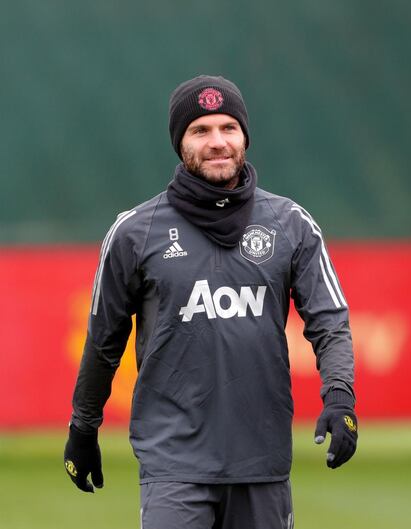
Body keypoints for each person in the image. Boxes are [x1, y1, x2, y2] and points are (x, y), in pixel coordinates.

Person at [64, 75, 358, 529]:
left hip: (261, 461)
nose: (217, 142)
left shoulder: (290, 224)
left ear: (244, 137)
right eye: (200, 131)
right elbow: (104, 341)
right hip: (172, 464)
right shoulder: (134, 232)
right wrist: (83, 427)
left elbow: (329, 321)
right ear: (180, 143)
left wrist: (340, 398)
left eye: (228, 128)